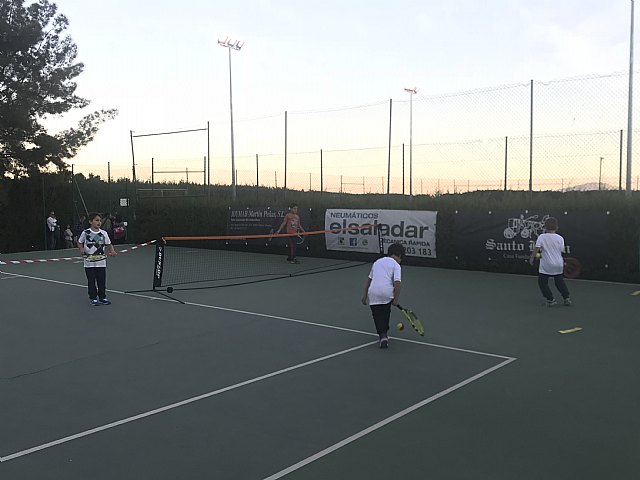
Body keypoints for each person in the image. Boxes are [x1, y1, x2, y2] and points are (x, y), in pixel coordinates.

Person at [361, 242, 405, 349]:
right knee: (385, 313)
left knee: (377, 315)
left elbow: (369, 280)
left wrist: (364, 295)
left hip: (373, 293)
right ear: (399, 256)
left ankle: (383, 335)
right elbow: (397, 283)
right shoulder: (396, 265)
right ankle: (384, 333)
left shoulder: (377, 262)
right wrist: (396, 299)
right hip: (386, 293)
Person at [529, 217, 572, 307]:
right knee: (559, 281)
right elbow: (560, 250)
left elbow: (537, 249)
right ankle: (566, 298)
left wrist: (532, 257)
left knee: (542, 282)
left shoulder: (542, 237)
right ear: (557, 227)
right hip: (559, 264)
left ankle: (550, 299)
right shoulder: (560, 238)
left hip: (547, 265)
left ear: (545, 227)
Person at [78, 212, 117, 306]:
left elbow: (109, 244)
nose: (99, 222)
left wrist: (112, 250)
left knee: (101, 281)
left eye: (100, 220)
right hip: (89, 263)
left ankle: (102, 297)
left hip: (101, 263)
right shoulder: (86, 233)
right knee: (91, 281)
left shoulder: (104, 233)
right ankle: (93, 298)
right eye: (96, 220)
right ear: (91, 222)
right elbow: (79, 242)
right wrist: (82, 249)